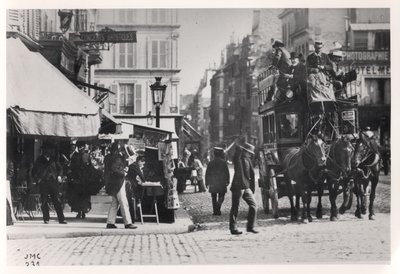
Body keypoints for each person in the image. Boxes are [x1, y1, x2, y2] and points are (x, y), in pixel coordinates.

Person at [104, 142, 137, 229]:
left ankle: (110, 222)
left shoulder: (115, 158)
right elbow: (114, 169)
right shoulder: (117, 159)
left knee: (115, 203)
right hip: (118, 182)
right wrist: (124, 173)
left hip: (115, 183)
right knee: (123, 202)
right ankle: (127, 223)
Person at [32, 142, 67, 224]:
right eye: (46, 149)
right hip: (44, 183)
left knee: (57, 201)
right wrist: (38, 179)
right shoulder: (39, 160)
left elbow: (60, 169)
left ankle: (61, 219)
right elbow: (34, 171)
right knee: (44, 201)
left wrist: (59, 176)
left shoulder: (54, 159)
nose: (48, 151)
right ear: (43, 150)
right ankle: (46, 218)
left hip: (53, 182)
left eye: (50, 149)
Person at [229, 143, 258, 235]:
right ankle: (233, 228)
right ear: (244, 151)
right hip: (238, 187)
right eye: (248, 152)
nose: (250, 154)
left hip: (246, 187)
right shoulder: (238, 159)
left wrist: (252, 188)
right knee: (235, 208)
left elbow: (252, 175)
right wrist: (239, 148)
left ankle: (250, 227)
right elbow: (236, 155)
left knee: (254, 206)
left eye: (250, 153)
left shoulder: (248, 160)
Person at [205, 147, 230, 215]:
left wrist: (207, 182)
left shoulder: (210, 163)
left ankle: (215, 211)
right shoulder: (223, 163)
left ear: (214, 154)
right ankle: (218, 207)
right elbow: (227, 173)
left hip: (213, 182)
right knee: (221, 196)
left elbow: (207, 173)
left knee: (213, 197)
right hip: (221, 182)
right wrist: (227, 181)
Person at [126, 155, 146, 221]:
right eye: (142, 162)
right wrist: (145, 181)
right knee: (139, 193)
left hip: (130, 183)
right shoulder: (135, 166)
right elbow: (141, 175)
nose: (143, 164)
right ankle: (138, 204)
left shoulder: (133, 165)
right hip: (130, 184)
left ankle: (138, 204)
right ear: (139, 161)